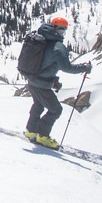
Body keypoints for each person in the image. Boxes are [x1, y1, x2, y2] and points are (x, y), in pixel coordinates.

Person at [22, 16, 91, 148]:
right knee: (55, 110)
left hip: (32, 80)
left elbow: (44, 64)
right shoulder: (58, 47)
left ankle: (31, 131)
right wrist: (85, 68)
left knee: (38, 104)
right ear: (57, 29)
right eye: (62, 30)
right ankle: (42, 136)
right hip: (41, 84)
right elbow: (67, 67)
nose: (62, 32)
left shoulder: (41, 39)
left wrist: (53, 79)